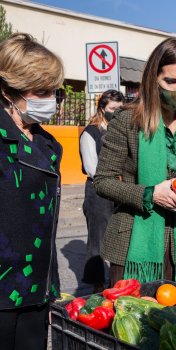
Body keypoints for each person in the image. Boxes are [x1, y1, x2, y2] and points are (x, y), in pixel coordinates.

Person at [94, 37, 176, 291]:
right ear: (152, 78)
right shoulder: (126, 121)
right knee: (132, 323)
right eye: (170, 81)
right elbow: (103, 181)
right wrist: (150, 194)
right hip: (134, 244)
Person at [0, 33, 64, 349]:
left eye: (54, 91)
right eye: (41, 92)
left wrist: (51, 289)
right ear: (7, 91)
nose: (50, 99)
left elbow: (47, 225)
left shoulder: (47, 144)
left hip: (35, 292)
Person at [80, 90, 125, 293]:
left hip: (120, 190)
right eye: (112, 109)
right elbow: (91, 167)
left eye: (119, 109)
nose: (116, 112)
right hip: (98, 192)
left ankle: (117, 283)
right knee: (97, 240)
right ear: (102, 108)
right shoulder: (91, 132)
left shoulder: (121, 131)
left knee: (120, 238)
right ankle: (97, 286)